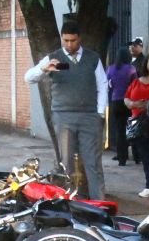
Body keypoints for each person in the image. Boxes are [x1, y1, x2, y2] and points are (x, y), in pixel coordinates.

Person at [24, 21, 108, 198]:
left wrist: (99, 112)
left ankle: (99, 205)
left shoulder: (92, 58)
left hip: (89, 117)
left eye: (73, 41)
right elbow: (29, 78)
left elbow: (102, 84)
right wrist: (43, 69)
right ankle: (69, 203)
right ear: (62, 39)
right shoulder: (54, 58)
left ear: (80, 39)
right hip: (63, 117)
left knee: (93, 163)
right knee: (66, 163)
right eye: (66, 40)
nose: (70, 45)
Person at [124, 50, 149, 197]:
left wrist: (147, 105)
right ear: (146, 63)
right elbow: (126, 98)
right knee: (145, 156)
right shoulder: (136, 81)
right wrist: (133, 104)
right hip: (138, 125)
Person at [105, 50, 137, 165]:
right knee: (132, 128)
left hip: (115, 101)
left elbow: (108, 84)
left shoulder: (110, 69)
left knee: (119, 130)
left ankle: (121, 158)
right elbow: (135, 84)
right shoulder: (131, 69)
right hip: (129, 101)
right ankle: (136, 156)